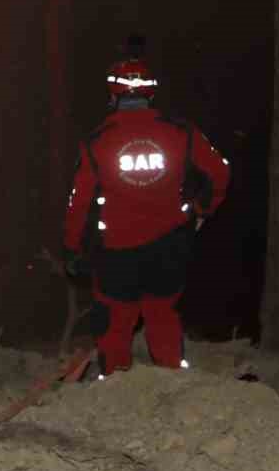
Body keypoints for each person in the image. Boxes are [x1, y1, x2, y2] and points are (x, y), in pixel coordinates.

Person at [61, 37, 230, 377]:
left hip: (117, 253)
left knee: (115, 322)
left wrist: (71, 247)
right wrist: (200, 210)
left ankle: (115, 386)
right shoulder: (181, 131)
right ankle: (172, 381)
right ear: (150, 91)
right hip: (169, 245)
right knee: (163, 315)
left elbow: (78, 201)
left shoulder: (96, 141)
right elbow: (220, 172)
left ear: (112, 93)